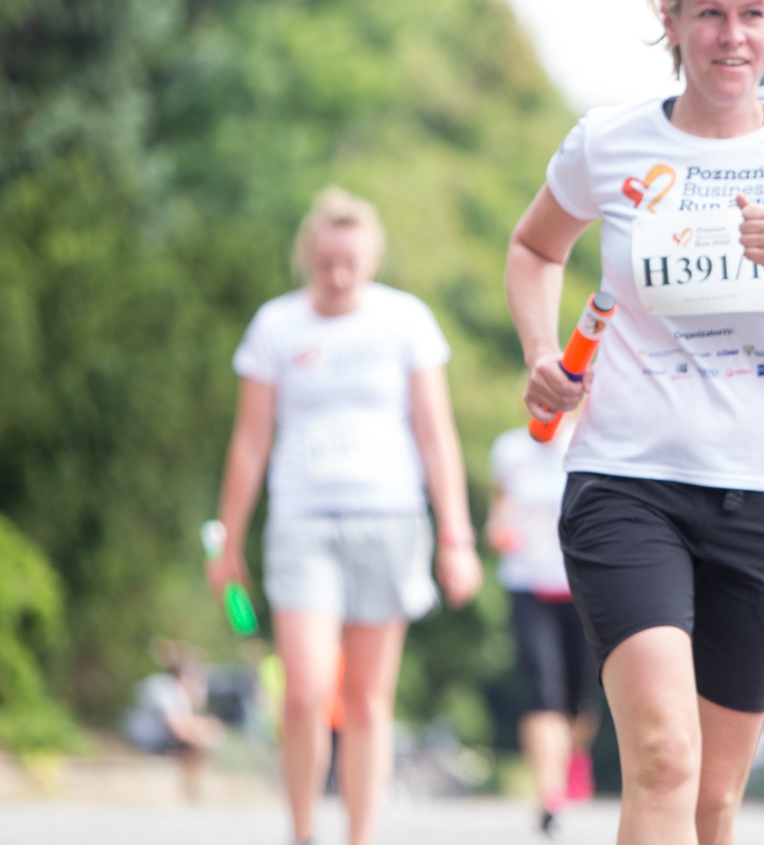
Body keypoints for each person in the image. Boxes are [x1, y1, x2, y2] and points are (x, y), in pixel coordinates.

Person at [505, 0, 764, 845]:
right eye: (708, 13)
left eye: (751, 14)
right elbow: (534, 246)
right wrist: (540, 353)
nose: (731, 35)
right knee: (664, 759)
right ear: (670, 23)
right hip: (627, 483)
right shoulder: (609, 142)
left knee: (715, 800)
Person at [206, 186, 482, 845]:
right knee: (302, 690)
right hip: (303, 523)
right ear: (307, 257)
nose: (337, 276)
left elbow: (435, 432)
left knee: (366, 699)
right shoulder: (277, 325)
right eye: (326, 262)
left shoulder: (405, 320)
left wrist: (457, 535)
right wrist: (226, 539)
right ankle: (302, 831)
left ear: (371, 258)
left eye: (350, 262)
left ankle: (361, 835)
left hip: (388, 519)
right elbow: (250, 440)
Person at [486, 419, 597, 837]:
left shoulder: (587, 444)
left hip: (581, 586)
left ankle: (572, 756)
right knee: (543, 693)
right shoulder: (510, 450)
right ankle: (550, 794)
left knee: (578, 702)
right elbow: (499, 512)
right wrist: (499, 532)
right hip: (528, 585)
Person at [124, 639, 227, 801]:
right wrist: (202, 735)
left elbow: (184, 722)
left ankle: (192, 789)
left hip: (156, 729)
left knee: (194, 745)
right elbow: (173, 725)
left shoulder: (178, 692)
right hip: (145, 732)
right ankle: (191, 790)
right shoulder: (166, 689)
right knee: (193, 745)